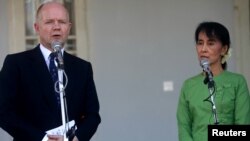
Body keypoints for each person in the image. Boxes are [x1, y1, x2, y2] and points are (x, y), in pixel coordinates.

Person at [0, 1, 101, 141]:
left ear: (69, 27)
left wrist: (77, 138)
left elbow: (92, 115)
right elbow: (4, 112)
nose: (57, 27)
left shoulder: (83, 68)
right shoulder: (16, 64)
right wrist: (43, 139)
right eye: (49, 22)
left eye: (62, 22)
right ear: (37, 27)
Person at [176, 21, 250, 141]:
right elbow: (184, 127)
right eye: (200, 43)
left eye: (210, 43)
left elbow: (243, 125)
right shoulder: (188, 85)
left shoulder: (237, 82)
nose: (203, 49)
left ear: (224, 49)